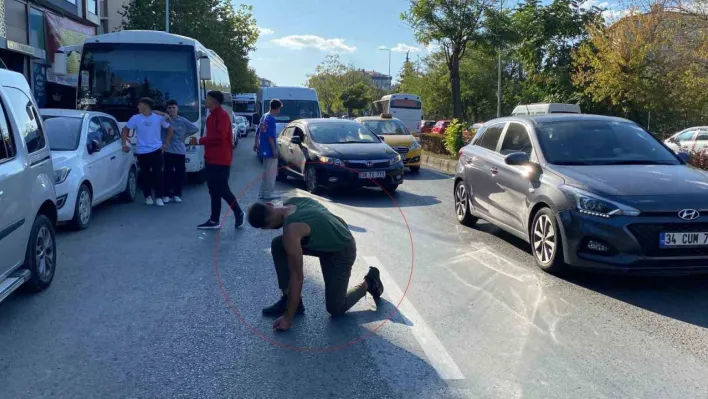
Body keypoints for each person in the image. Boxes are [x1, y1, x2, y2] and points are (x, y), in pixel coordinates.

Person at [247, 197, 385, 332]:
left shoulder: (292, 229)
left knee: (335, 308)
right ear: (270, 205)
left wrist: (288, 318)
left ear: (266, 227)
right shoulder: (294, 201)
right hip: (332, 237)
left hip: (342, 250)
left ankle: (369, 282)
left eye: (269, 228)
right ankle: (290, 300)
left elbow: (297, 276)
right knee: (278, 244)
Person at [189, 91, 244, 229]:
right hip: (211, 159)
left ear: (214, 101)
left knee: (223, 190)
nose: (205, 102)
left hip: (221, 159)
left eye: (207, 99)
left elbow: (220, 137)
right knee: (213, 191)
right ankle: (214, 220)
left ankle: (238, 212)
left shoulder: (223, 115)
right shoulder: (210, 117)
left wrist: (200, 141)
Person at [121, 97, 173, 207]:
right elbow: (125, 130)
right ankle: (148, 196)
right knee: (145, 175)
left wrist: (166, 144)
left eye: (140, 105)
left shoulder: (158, 118)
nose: (138, 107)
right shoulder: (135, 118)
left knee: (158, 174)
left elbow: (170, 130)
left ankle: (159, 197)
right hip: (142, 151)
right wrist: (124, 143)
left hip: (156, 150)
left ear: (146, 105)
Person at [156, 100, 199, 204]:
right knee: (167, 173)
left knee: (180, 174)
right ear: (167, 109)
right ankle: (166, 194)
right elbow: (151, 112)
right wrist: (163, 114)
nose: (171, 110)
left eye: (173, 107)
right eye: (169, 108)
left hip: (179, 151)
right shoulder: (163, 120)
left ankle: (177, 194)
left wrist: (185, 136)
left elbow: (195, 128)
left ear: (177, 108)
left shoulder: (183, 121)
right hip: (167, 150)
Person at [257, 99, 282, 200]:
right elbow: (270, 136)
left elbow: (259, 131)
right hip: (270, 149)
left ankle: (262, 192)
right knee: (271, 173)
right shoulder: (271, 119)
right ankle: (269, 193)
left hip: (263, 148)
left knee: (266, 171)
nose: (279, 111)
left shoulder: (264, 116)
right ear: (276, 108)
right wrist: (274, 150)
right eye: (279, 109)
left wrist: (256, 143)